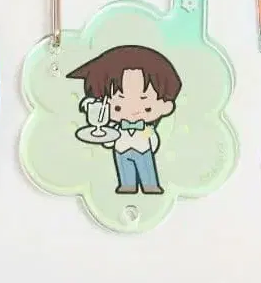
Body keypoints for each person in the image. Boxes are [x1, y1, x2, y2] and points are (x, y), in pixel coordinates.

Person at [67, 45, 182, 194]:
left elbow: (152, 140)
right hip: (121, 151)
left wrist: (148, 138)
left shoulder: (146, 128)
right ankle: (127, 185)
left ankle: (150, 185)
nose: (133, 111)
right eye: (118, 107)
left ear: (166, 106)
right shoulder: (116, 127)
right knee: (124, 170)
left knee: (146, 168)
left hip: (143, 150)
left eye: (147, 107)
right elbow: (109, 140)